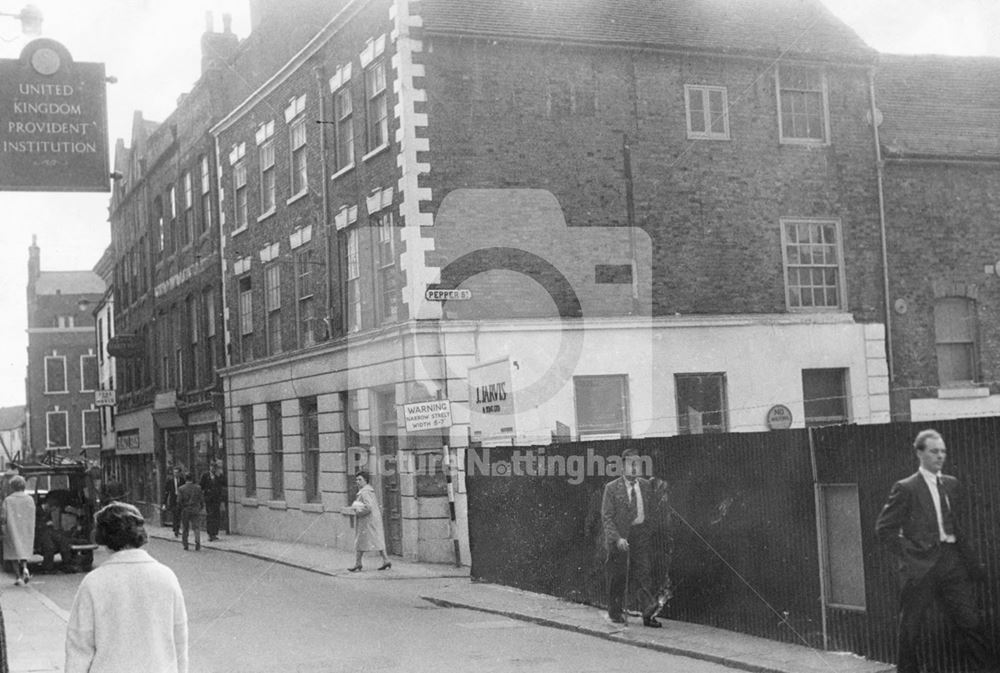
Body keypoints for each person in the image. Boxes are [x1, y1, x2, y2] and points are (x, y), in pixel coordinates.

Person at [875, 429, 995, 673]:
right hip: (921, 567)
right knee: (911, 628)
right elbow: (884, 530)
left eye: (943, 451)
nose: (940, 456)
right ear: (919, 453)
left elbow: (961, 523)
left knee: (969, 621)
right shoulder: (906, 487)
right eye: (934, 451)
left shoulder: (951, 484)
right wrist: (912, 553)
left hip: (952, 562)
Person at [64, 502, 188, 673]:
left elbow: (79, 648)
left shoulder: (93, 582)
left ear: (102, 536)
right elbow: (179, 642)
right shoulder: (166, 577)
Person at [601, 448, 660, 626]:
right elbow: (607, 517)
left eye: (638, 464)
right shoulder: (611, 488)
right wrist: (617, 538)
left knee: (644, 574)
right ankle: (615, 613)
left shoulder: (645, 485)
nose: (635, 468)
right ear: (622, 467)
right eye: (631, 464)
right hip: (620, 536)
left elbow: (653, 508)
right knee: (618, 576)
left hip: (640, 534)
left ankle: (648, 615)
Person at [348, 471, 390, 572]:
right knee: (377, 540)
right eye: (357, 479)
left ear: (365, 480)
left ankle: (358, 563)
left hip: (366, 521)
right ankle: (386, 560)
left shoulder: (364, 492)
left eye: (360, 479)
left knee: (360, 541)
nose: (357, 481)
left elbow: (368, 507)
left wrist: (358, 511)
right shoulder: (369, 490)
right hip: (372, 520)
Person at [1, 475, 35, 585]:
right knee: (23, 551)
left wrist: (3, 528)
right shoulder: (30, 499)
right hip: (26, 529)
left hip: (12, 529)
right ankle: (25, 568)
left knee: (13, 553)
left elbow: (3, 517)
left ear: (12, 487)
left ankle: (18, 577)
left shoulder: (8, 500)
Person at [35, 494, 78, 574]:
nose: (52, 511)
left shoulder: (47, 512)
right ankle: (48, 568)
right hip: (39, 533)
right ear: (49, 506)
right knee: (49, 546)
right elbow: (34, 524)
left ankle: (67, 564)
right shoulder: (37, 511)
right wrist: (45, 524)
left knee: (63, 541)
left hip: (48, 532)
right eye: (52, 509)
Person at [199, 461, 226, 541]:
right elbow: (201, 486)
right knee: (210, 516)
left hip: (216, 499)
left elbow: (223, 484)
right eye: (211, 467)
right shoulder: (205, 475)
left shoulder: (218, 475)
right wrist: (205, 493)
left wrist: (220, 476)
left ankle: (215, 533)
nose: (213, 469)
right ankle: (210, 534)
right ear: (209, 467)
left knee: (216, 515)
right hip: (209, 499)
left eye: (214, 467)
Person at [176, 473, 204, 552]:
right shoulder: (198, 488)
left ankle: (185, 544)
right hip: (195, 509)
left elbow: (178, 501)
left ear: (185, 479)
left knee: (185, 528)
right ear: (192, 479)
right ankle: (197, 543)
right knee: (196, 527)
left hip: (185, 510)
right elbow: (201, 500)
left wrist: (182, 508)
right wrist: (200, 507)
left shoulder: (181, 488)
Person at [162, 466, 184, 537]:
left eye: (177, 472)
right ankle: (176, 530)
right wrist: (164, 503)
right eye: (174, 472)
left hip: (180, 500)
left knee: (179, 515)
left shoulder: (182, 480)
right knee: (175, 515)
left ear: (180, 473)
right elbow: (166, 492)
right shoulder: (170, 481)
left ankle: (176, 528)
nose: (175, 474)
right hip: (173, 500)